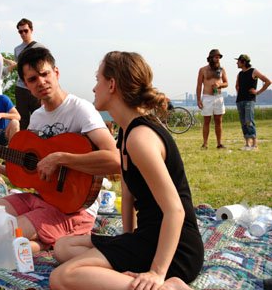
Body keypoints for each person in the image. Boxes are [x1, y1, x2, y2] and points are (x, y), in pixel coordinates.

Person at [50, 51, 204, 290]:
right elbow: (129, 190)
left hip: (176, 249)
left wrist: (156, 272)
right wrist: (127, 240)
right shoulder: (126, 132)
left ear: (111, 84)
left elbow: (175, 210)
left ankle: (166, 287)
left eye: (97, 79)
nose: (93, 88)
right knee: (63, 247)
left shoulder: (140, 138)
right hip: (147, 237)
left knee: (62, 278)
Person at [0, 47, 120, 253]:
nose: (41, 82)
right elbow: (32, 171)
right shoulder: (37, 117)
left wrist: (60, 158)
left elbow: (115, 159)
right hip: (40, 198)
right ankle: (42, 240)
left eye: (45, 74)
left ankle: (58, 237)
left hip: (73, 209)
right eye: (33, 79)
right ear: (26, 84)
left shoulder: (80, 109)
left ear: (56, 73)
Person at [4, 18, 45, 130]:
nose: (23, 33)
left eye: (25, 30)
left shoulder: (40, 47)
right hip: (21, 86)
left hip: (36, 86)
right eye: (20, 31)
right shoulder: (17, 49)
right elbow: (18, 67)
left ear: (31, 30)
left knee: (39, 116)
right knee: (22, 118)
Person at [235, 54, 271, 150]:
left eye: (238, 61)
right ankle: (247, 144)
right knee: (243, 122)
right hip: (240, 101)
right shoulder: (240, 74)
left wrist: (258, 92)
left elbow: (268, 81)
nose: (236, 63)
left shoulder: (253, 71)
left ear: (244, 62)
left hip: (249, 100)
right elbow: (237, 86)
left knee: (249, 121)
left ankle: (254, 144)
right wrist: (239, 91)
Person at [196, 49, 228, 149]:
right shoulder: (203, 70)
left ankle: (219, 143)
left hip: (218, 97)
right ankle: (205, 143)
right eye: (216, 57)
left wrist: (220, 85)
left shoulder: (222, 69)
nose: (218, 59)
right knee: (206, 121)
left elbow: (226, 83)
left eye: (219, 57)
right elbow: (199, 85)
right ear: (210, 58)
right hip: (207, 97)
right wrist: (198, 100)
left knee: (219, 121)